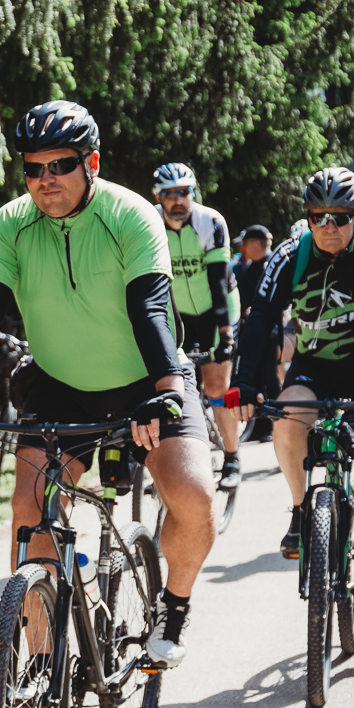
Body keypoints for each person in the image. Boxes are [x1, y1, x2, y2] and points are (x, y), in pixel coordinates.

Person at [0, 100, 214, 668]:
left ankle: (174, 607)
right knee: (29, 509)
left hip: (145, 380)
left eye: (59, 164)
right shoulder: (10, 225)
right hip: (59, 383)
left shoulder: (130, 215)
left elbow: (151, 308)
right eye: (33, 168)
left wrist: (165, 387)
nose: (45, 179)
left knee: (195, 496)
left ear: (92, 162)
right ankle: (41, 663)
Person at [232, 168, 354, 635]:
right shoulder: (288, 256)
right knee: (287, 421)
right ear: (307, 216)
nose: (329, 226)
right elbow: (260, 319)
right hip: (315, 367)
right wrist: (243, 381)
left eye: (340, 217)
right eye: (318, 216)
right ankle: (303, 510)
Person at [151, 163, 242, 488]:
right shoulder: (149, 224)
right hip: (179, 314)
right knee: (166, 386)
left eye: (185, 192)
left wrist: (225, 336)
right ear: (157, 196)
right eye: (170, 194)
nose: (178, 200)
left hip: (216, 309)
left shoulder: (210, 221)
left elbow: (218, 281)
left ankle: (232, 457)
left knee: (217, 385)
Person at [234, 224, 279, 437]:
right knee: (256, 380)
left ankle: (272, 425)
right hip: (253, 333)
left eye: (244, 244)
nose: (242, 249)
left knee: (268, 380)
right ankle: (261, 426)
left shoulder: (268, 267)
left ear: (255, 244)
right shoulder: (254, 266)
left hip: (267, 335)